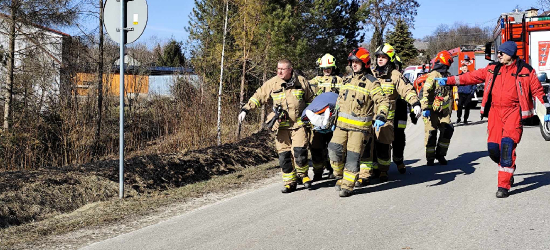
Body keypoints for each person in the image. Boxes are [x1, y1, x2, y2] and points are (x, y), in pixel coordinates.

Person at [435, 41, 550, 198]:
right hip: (495, 113)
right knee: (493, 150)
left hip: (514, 112)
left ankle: (503, 186)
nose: (499, 55)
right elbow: (471, 77)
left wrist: (547, 109)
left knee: (507, 147)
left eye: (502, 53)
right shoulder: (492, 69)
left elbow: (537, 90)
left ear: (511, 53)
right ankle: (507, 166)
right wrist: (449, 81)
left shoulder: (526, 71)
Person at [238, 59, 315, 193]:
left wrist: (310, 116)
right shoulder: (272, 83)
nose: (279, 71)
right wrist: (246, 109)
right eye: (278, 69)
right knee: (284, 156)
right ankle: (290, 182)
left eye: (282, 69)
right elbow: (259, 96)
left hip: (299, 125)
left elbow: (311, 100)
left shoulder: (301, 82)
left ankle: (303, 176)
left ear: (290, 69)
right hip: (281, 127)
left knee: (300, 153)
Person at [328, 47, 390, 197]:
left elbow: (382, 101)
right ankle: (340, 176)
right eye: (352, 62)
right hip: (341, 127)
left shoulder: (372, 82)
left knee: (353, 157)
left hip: (359, 129)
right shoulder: (347, 79)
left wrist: (381, 115)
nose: (354, 64)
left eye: (357, 62)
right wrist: (332, 117)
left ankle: (348, 186)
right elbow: (339, 101)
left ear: (365, 63)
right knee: (333, 151)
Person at [359, 43, 422, 185]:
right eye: (378, 57)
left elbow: (407, 89)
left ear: (390, 59)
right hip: (370, 117)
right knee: (368, 146)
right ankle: (367, 173)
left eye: (383, 57)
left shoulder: (395, 75)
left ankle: (383, 170)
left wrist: (415, 103)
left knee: (383, 146)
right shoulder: (371, 73)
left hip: (386, 119)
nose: (380, 59)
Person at [308, 54, 343, 181]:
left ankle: (333, 169)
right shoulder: (316, 80)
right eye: (324, 68)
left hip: (334, 119)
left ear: (334, 68)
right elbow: (305, 88)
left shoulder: (340, 81)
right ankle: (317, 171)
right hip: (318, 119)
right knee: (316, 146)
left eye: (329, 68)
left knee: (333, 146)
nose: (326, 70)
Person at [420, 50, 455, 166]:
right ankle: (430, 158)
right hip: (431, 112)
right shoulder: (434, 75)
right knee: (431, 134)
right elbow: (426, 91)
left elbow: (449, 94)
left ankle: (441, 155)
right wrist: (425, 108)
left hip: (444, 112)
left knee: (447, 130)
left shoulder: (447, 76)